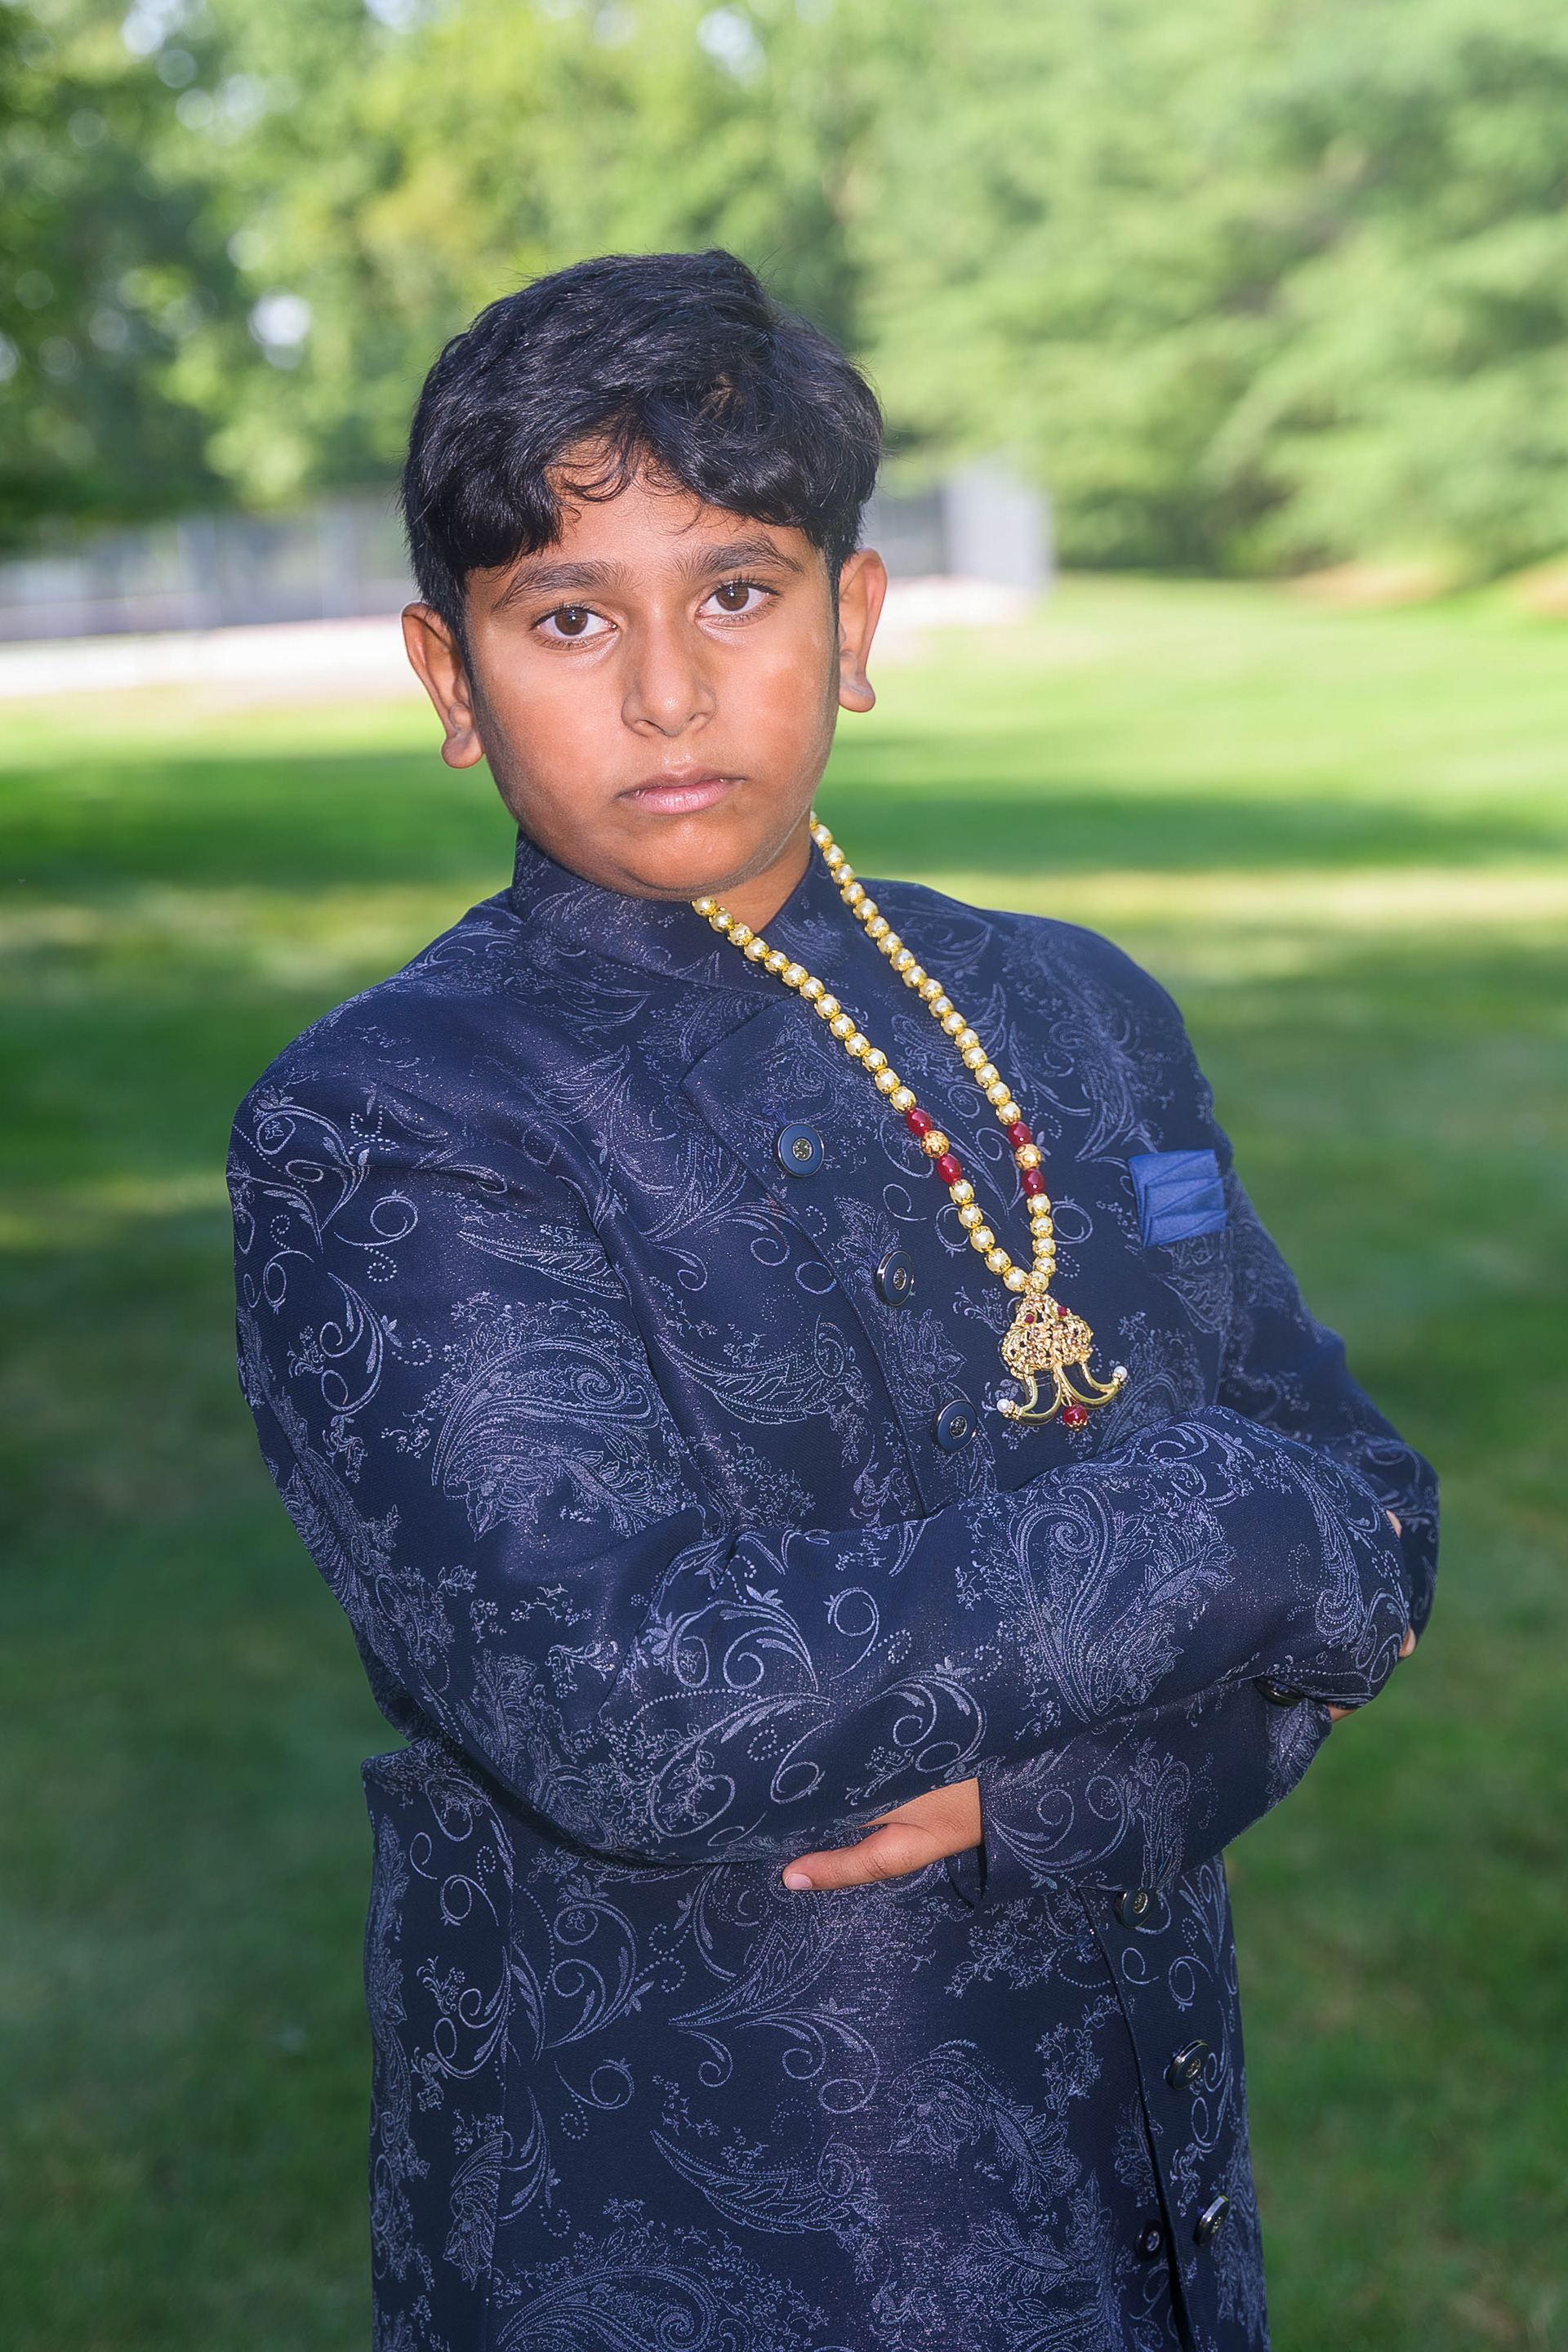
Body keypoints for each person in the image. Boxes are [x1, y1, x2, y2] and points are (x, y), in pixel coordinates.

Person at [228, 249, 1436, 2352]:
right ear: (450, 674)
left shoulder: (1071, 1010)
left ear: (851, 621)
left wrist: (1088, 1791)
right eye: (569, 618)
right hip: (710, 2225)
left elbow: (1381, 1523)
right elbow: (640, 1702)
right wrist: (1223, 1524)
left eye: (738, 593)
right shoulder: (396, 1119)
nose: (667, 694)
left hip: (1138, 2173)